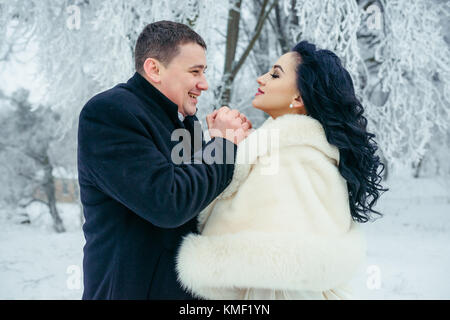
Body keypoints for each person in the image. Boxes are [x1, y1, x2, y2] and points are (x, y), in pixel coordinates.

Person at [176, 41, 387, 299]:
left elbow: (279, 269)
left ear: (298, 98)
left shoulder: (293, 158)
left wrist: (223, 147)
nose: (261, 78)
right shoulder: (294, 151)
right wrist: (221, 145)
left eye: (275, 74)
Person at [77, 21, 251, 299]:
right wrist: (222, 145)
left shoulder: (186, 124)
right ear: (154, 69)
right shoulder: (109, 113)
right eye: (194, 72)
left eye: (204, 72)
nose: (203, 84)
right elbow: (167, 201)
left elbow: (197, 203)